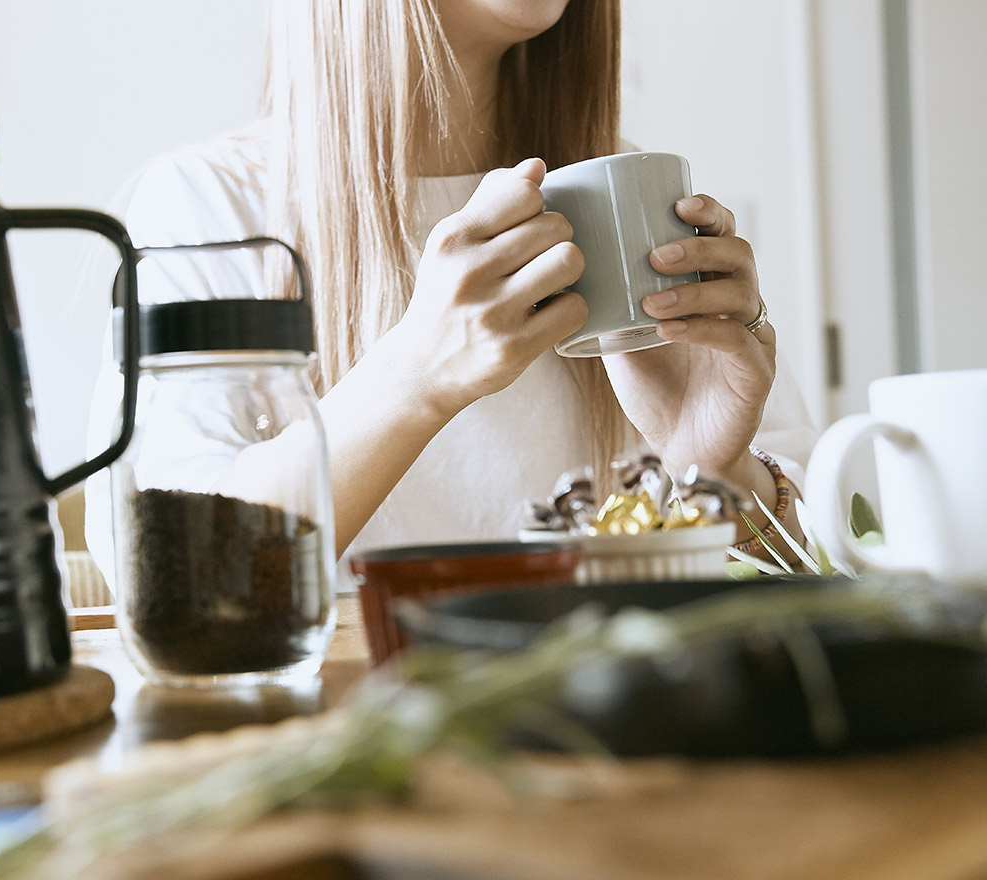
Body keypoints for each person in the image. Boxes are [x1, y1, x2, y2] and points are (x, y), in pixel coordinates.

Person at [84, 0, 816, 585]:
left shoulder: (634, 196)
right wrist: (416, 378)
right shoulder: (208, 206)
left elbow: (818, 572)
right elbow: (168, 575)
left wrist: (713, 472)